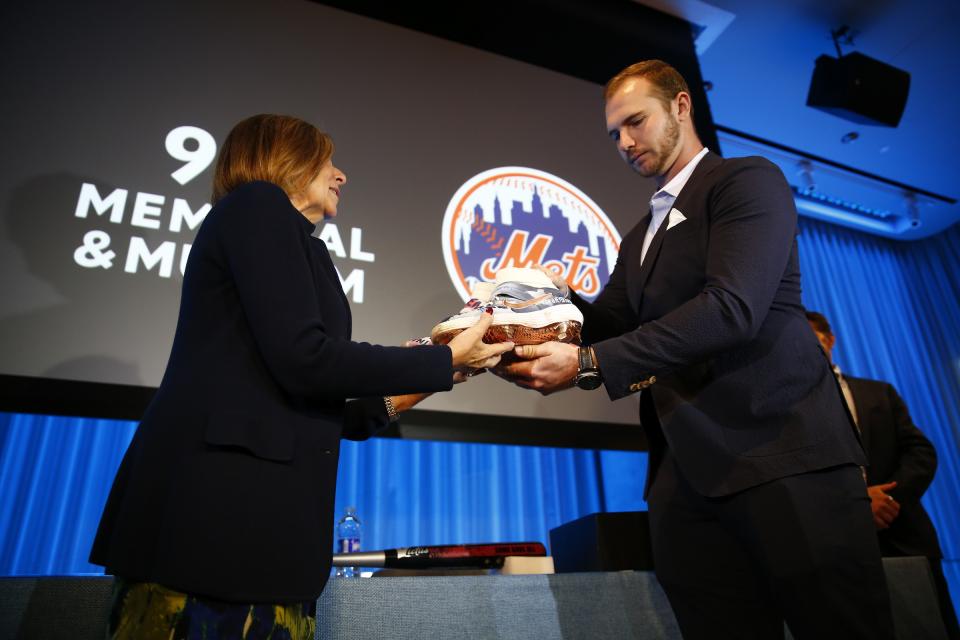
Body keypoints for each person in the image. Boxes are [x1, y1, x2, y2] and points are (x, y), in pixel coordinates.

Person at [494, 60, 895, 638]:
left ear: (681, 106)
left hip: (784, 457)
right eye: (614, 134)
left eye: (635, 122)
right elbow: (610, 321)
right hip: (687, 477)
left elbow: (732, 308)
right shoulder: (639, 236)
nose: (625, 143)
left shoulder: (746, 181)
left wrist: (586, 364)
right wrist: (537, 305)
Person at [89, 114, 513, 639]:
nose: (341, 175)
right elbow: (305, 357)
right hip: (214, 531)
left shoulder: (299, 243)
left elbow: (309, 396)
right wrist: (442, 361)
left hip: (255, 544)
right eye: (329, 161)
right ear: (288, 160)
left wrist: (421, 380)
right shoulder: (256, 205)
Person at [807, 311, 959, 638]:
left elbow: (921, 453)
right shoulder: (790, 407)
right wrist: (858, 505)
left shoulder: (879, 392)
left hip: (903, 536)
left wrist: (886, 499)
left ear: (830, 339)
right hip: (836, 549)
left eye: (813, 338)